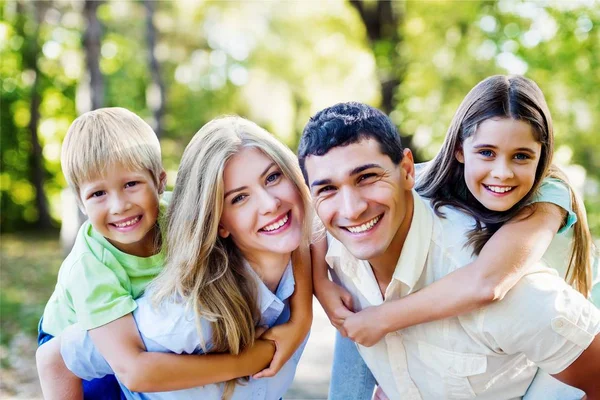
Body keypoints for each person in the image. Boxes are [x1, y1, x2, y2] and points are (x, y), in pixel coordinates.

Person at [311, 76, 597, 399]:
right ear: (460, 150)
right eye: (487, 152)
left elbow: (487, 283)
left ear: (541, 155)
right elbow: (316, 203)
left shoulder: (549, 196)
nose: (502, 172)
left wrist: (382, 319)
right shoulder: (424, 180)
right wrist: (322, 282)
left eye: (521, 156)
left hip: (572, 317)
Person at [36, 112, 312, 399]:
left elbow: (297, 232)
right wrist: (249, 360)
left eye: (130, 184)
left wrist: (300, 319)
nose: (119, 206)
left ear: (159, 182)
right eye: (97, 194)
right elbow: (132, 368)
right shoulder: (89, 268)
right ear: (80, 203)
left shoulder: (178, 219)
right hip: (81, 332)